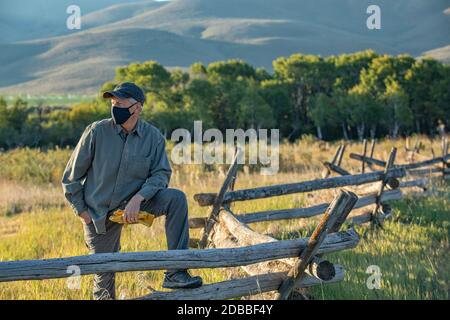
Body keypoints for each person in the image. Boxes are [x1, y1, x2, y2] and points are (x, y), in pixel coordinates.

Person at [61, 82, 202, 300]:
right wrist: (83, 213)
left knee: (176, 199)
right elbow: (71, 177)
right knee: (104, 279)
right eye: (113, 103)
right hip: (99, 214)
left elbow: (161, 174)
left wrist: (139, 197)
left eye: (120, 103)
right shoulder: (96, 132)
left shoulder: (153, 137)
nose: (114, 107)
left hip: (136, 203)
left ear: (137, 108)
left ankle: (176, 272)